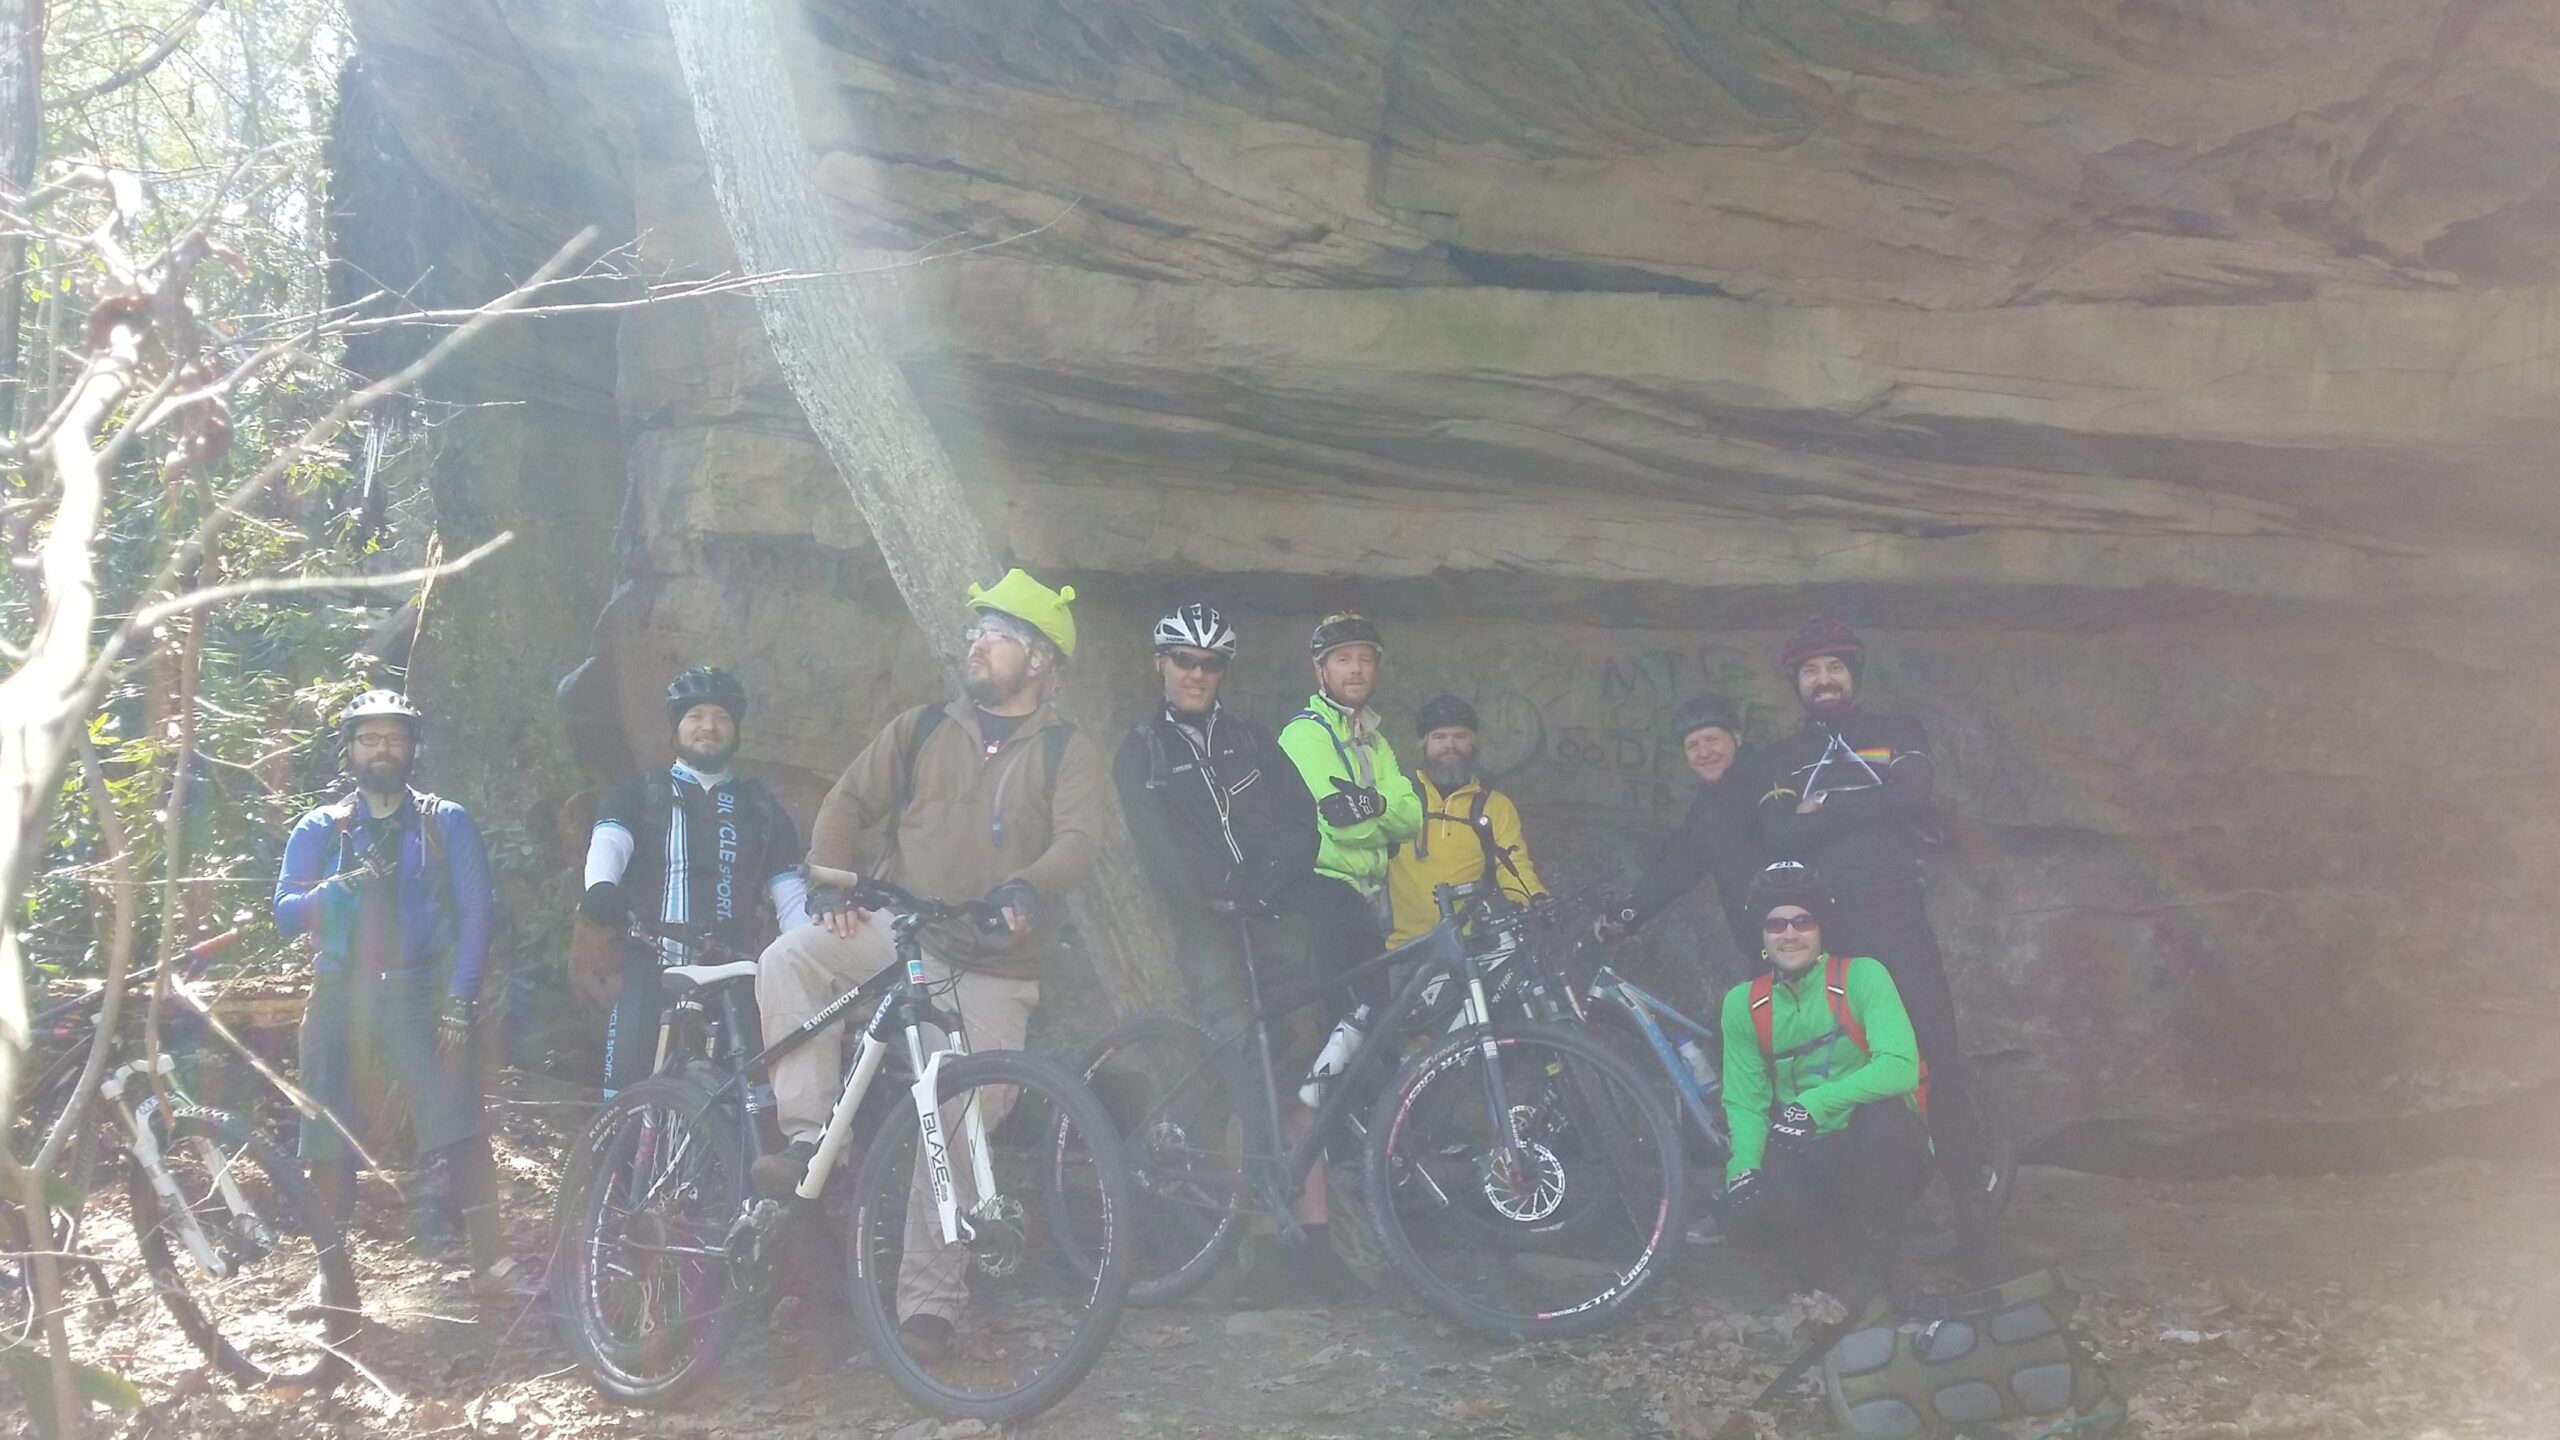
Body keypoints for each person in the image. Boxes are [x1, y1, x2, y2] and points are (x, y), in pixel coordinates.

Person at [751, 569, 1107, 1361]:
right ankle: (812, 1141)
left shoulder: (1065, 750)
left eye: (999, 634)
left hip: (994, 965)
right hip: (899, 933)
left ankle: (928, 1307)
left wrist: (1028, 883)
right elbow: (845, 803)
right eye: (977, 630)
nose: (978, 643)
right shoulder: (921, 727)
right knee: (788, 961)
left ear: (1040, 661)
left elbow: (1078, 841)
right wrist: (832, 883)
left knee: (954, 1122)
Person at [1111, 602, 1353, 1303]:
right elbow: (1155, 851)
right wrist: (1215, 892)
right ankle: (1257, 1246)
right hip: (1211, 926)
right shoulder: (1142, 752)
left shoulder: (1250, 740)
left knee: (1304, 1072)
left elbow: (1301, 821)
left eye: (1210, 664)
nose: (1196, 674)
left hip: (1277, 916)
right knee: (1242, 1072)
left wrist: (1267, 880)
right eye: (1184, 660)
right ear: (1161, 663)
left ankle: (1316, 1241)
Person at [1755, 616, 2000, 1277]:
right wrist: (1871, 802)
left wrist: (1823, 810)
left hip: (1898, 926)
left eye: (1835, 668)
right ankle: (1870, 1234)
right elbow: (1777, 831)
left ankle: (1974, 1219)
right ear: (1796, 685)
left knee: (1935, 1062)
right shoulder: (1780, 758)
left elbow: (1912, 793)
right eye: (1810, 671)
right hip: (1828, 940)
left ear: (1854, 676)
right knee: (1842, 1079)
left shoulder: (1898, 732)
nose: (1823, 679)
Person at [273, 690, 533, 1299]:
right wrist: (333, 892)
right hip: (338, 991)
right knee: (326, 1135)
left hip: (421, 991)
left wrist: (459, 997)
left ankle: (493, 1265)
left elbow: (475, 912)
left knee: (460, 1124)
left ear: (414, 747)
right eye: (370, 739)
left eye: (394, 738)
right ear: (349, 749)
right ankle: (330, 1276)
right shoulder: (322, 827)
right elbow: (285, 914)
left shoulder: (446, 821)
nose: (382, 750)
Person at [578, 666, 809, 1094]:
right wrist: (601, 888)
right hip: (650, 968)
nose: (708, 726)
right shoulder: (642, 793)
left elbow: (791, 896)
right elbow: (609, 843)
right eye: (695, 716)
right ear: (676, 728)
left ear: (736, 731)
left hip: (736, 975)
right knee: (625, 1097)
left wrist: (810, 953)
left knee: (742, 1107)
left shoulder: (761, 809)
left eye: (721, 717)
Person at [1718, 861, 1930, 1299]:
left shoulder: (1863, 975)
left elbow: (1900, 1067)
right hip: (1808, 1153)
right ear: (1761, 935)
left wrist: (1816, 1104)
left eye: (1802, 921)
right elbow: (1746, 1103)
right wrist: (1742, 1169)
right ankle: (1841, 1286)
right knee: (1752, 1205)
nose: (1789, 934)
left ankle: (1877, 1263)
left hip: (1876, 1147)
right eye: (1775, 923)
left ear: (1820, 929)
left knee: (1883, 1117)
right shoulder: (1744, 1005)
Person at [1276, 612, 1422, 1105]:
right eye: (1343, 660)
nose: (1356, 670)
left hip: (1366, 898)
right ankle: (1318, 1132)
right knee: (1342, 1025)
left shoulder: (1375, 739)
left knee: (1374, 1026)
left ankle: (1375, 1140)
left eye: (1365, 659)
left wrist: (1375, 805)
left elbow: (1411, 815)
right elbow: (1341, 820)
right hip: (1322, 895)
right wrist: (1382, 808)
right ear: (1322, 672)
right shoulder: (1305, 734)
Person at [1596, 694, 1764, 962]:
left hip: (1795, 939)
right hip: (1770, 942)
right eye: (1692, 745)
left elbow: (1687, 858)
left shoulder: (1752, 783)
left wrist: (1633, 911)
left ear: (1737, 738)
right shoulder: (1714, 794)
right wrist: (1633, 910)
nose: (1704, 753)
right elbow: (1682, 847)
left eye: (1712, 740)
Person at [1385, 693, 1545, 948]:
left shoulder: (1496, 806)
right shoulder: (1396, 799)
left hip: (1472, 947)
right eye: (1439, 737)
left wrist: (1536, 899)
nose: (1450, 745)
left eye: (1460, 736)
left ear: (1474, 742)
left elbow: (1512, 865)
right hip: (1405, 948)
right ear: (1423, 744)